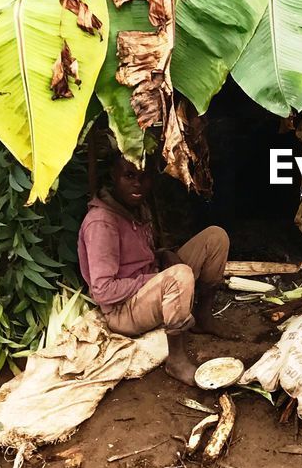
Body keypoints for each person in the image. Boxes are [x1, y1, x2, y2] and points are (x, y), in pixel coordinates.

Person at [77, 153, 230, 386]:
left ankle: (203, 316)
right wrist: (157, 278)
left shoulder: (137, 208)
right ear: (113, 176)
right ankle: (176, 360)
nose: (138, 184)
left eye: (144, 176)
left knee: (215, 237)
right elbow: (103, 290)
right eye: (129, 176)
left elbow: (141, 255)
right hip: (123, 310)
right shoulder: (102, 222)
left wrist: (162, 255)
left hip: (149, 285)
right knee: (179, 276)